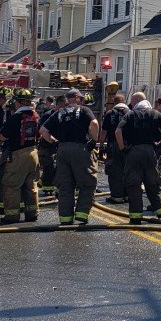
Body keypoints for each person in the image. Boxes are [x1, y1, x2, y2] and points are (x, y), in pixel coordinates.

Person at [40, 89, 99, 226]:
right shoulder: (83, 110)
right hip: (80, 149)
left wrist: (54, 142)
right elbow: (94, 124)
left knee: (65, 186)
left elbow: (43, 131)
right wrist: (94, 141)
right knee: (87, 183)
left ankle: (65, 218)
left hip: (62, 150)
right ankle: (81, 216)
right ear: (77, 98)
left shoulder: (59, 113)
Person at [115, 92, 161, 224]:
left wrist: (122, 147)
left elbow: (118, 131)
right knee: (153, 182)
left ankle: (135, 217)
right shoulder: (155, 114)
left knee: (133, 183)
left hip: (134, 151)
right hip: (150, 151)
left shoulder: (130, 114)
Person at [0, 89, 41, 224]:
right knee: (30, 185)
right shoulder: (35, 116)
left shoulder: (16, 118)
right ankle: (32, 213)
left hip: (18, 154)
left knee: (12, 185)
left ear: (17, 103)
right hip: (33, 153)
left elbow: (2, 136)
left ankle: (12, 215)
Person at [100, 93, 130, 203]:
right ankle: (128, 195)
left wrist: (101, 146)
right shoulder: (130, 113)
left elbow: (104, 132)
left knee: (114, 171)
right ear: (125, 102)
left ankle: (117, 196)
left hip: (113, 145)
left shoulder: (109, 114)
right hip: (128, 146)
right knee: (128, 169)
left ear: (114, 103)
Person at [36, 96, 58, 198]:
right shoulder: (48, 115)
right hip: (46, 145)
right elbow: (41, 130)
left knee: (55, 167)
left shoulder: (61, 114)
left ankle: (51, 187)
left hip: (56, 144)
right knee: (48, 166)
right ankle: (47, 188)